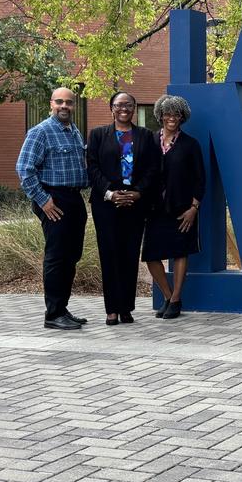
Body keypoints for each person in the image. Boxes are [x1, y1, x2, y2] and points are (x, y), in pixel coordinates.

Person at [16, 87, 90, 331]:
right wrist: (43, 200)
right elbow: (24, 169)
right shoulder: (40, 132)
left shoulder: (73, 132)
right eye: (59, 102)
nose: (64, 106)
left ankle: (62, 308)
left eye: (68, 102)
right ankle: (53, 313)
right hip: (53, 200)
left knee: (71, 256)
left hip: (73, 199)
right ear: (51, 104)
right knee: (57, 258)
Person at [87, 92, 160, 325]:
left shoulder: (146, 136)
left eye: (128, 105)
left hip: (135, 204)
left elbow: (153, 168)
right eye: (119, 105)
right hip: (106, 204)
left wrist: (138, 193)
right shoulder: (98, 135)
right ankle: (111, 309)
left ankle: (126, 308)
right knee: (110, 255)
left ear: (134, 107)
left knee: (129, 255)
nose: (124, 109)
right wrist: (110, 193)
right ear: (111, 108)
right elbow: (92, 167)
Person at [142, 94, 205, 320]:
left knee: (179, 253)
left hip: (182, 209)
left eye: (177, 114)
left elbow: (200, 179)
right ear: (160, 115)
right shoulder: (149, 141)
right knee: (151, 255)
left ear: (182, 117)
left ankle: (177, 299)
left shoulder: (190, 144)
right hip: (154, 209)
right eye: (168, 113)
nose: (172, 118)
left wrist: (194, 208)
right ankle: (167, 296)